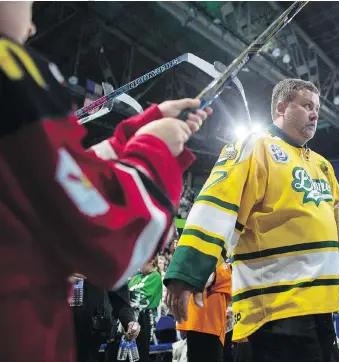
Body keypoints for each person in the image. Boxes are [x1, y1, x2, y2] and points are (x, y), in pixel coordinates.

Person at [0, 3, 212, 362]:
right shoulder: (10, 70)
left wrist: (138, 132)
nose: (33, 26)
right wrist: (155, 149)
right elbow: (107, 235)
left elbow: (56, 178)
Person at [164, 78, 339, 362]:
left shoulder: (323, 166)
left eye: (317, 107)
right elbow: (216, 206)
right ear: (281, 107)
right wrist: (185, 274)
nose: (315, 113)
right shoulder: (255, 146)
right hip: (274, 313)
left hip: (323, 308)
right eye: (306, 106)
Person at [177, 262, 232, 362]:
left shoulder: (223, 267)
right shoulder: (222, 267)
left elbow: (207, 279)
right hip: (199, 325)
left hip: (210, 325)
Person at [128, 257, 164, 362]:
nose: (139, 265)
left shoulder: (155, 277)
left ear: (151, 262)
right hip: (129, 317)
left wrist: (128, 295)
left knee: (140, 353)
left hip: (144, 319)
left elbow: (140, 296)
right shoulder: (137, 276)